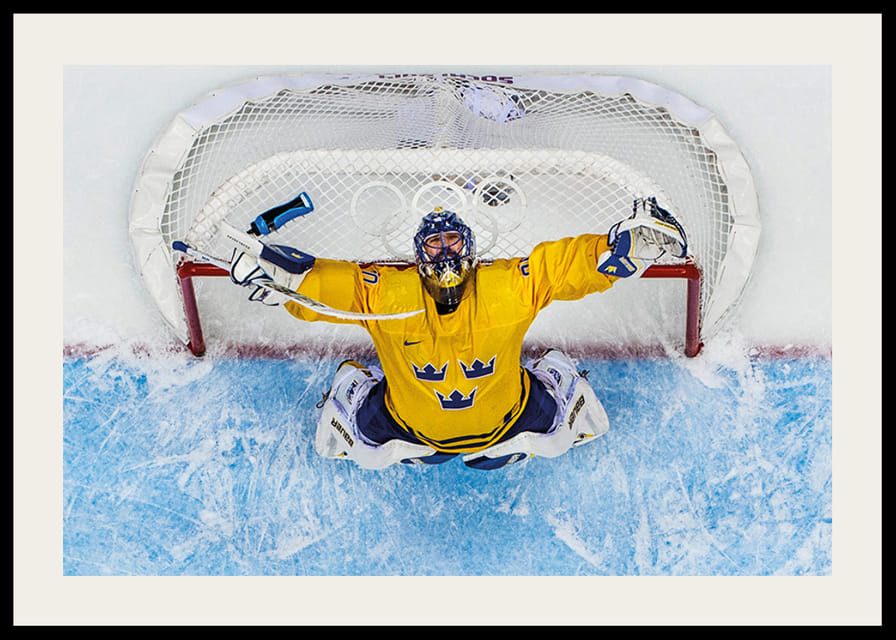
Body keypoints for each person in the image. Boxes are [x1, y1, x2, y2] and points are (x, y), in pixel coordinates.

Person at [228, 196, 687, 470]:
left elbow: (335, 289)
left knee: (353, 378)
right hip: (508, 420)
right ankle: (523, 436)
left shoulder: (389, 295)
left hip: (409, 427)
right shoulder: (505, 289)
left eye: (450, 242)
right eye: (436, 243)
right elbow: (558, 269)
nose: (445, 250)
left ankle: (402, 444)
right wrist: (615, 252)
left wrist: (285, 282)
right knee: (551, 370)